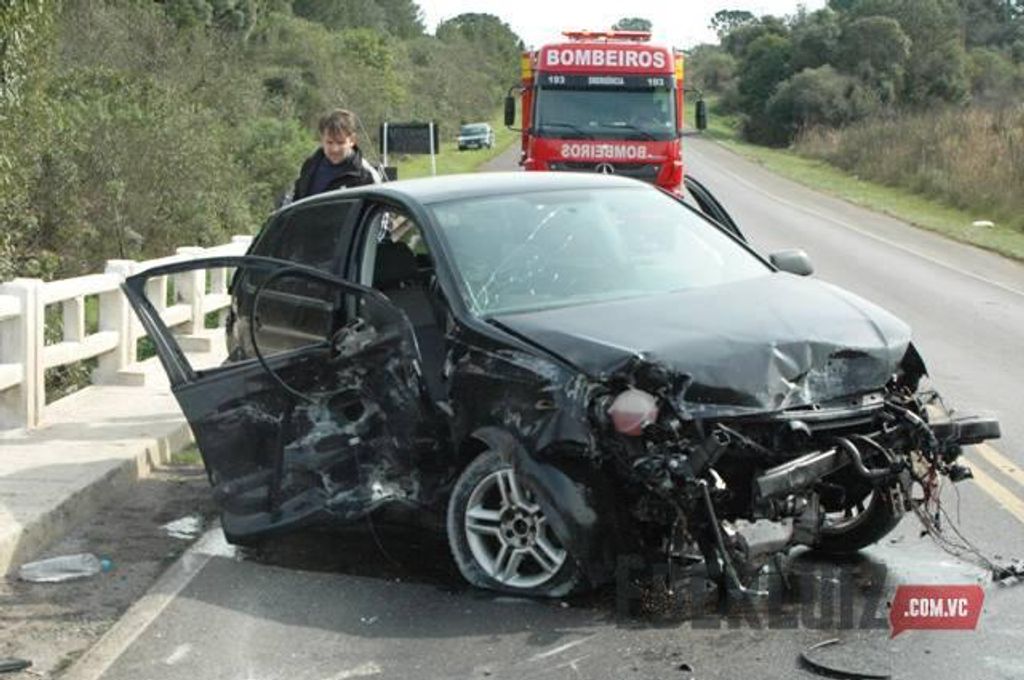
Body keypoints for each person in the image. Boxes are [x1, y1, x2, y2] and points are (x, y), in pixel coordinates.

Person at [290, 109, 381, 201]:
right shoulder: (310, 166)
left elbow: (378, 211)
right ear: (322, 139)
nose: (335, 149)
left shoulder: (364, 175)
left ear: (352, 140)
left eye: (340, 143)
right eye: (329, 142)